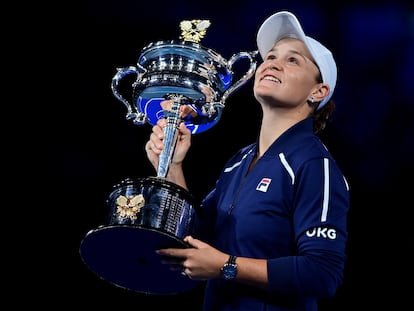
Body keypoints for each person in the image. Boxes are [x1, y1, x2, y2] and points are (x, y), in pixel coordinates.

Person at [145, 10, 350, 311]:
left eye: (292, 60)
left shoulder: (314, 165)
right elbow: (197, 239)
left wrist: (226, 266)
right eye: (270, 57)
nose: (272, 63)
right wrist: (173, 166)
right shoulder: (239, 161)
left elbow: (322, 273)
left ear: (318, 92)